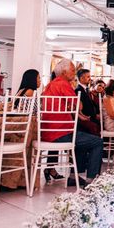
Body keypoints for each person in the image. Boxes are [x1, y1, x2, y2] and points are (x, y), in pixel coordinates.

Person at [42, 58, 103, 187]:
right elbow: (78, 106)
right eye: (72, 70)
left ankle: (73, 177)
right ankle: (91, 180)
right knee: (97, 142)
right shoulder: (63, 84)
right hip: (61, 133)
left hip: (47, 133)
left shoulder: (50, 85)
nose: (74, 73)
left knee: (81, 139)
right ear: (64, 72)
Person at [75, 68, 100, 136]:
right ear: (81, 78)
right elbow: (83, 108)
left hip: (92, 117)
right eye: (88, 76)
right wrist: (94, 116)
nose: (90, 78)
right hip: (86, 119)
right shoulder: (78, 90)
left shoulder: (86, 89)